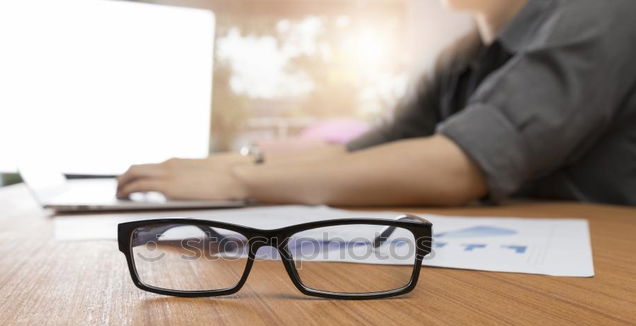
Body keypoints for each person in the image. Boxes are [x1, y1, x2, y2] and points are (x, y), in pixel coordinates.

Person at [116, 0, 636, 206]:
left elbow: (461, 165)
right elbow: (359, 152)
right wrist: (214, 166)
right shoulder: (459, 55)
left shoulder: (604, 12)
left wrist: (237, 181)